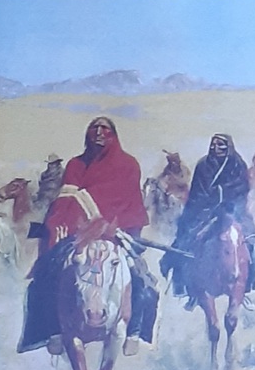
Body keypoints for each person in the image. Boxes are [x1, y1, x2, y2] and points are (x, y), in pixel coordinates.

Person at [19, 118, 159, 351]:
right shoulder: (75, 164)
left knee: (142, 281)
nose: (99, 134)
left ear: (113, 135)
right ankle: (51, 331)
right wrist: (60, 225)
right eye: (94, 129)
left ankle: (134, 331)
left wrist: (116, 228)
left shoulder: (129, 164)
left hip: (116, 233)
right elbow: (67, 200)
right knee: (45, 275)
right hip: (79, 234)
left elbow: (129, 203)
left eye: (105, 130)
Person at [165, 132, 255, 297]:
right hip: (205, 210)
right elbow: (197, 192)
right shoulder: (203, 165)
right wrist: (210, 203)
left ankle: (249, 283)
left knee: (252, 242)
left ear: (228, 147)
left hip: (233, 210)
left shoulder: (238, 165)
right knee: (184, 239)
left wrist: (224, 198)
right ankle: (180, 282)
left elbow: (242, 189)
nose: (216, 148)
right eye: (214, 145)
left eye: (221, 145)